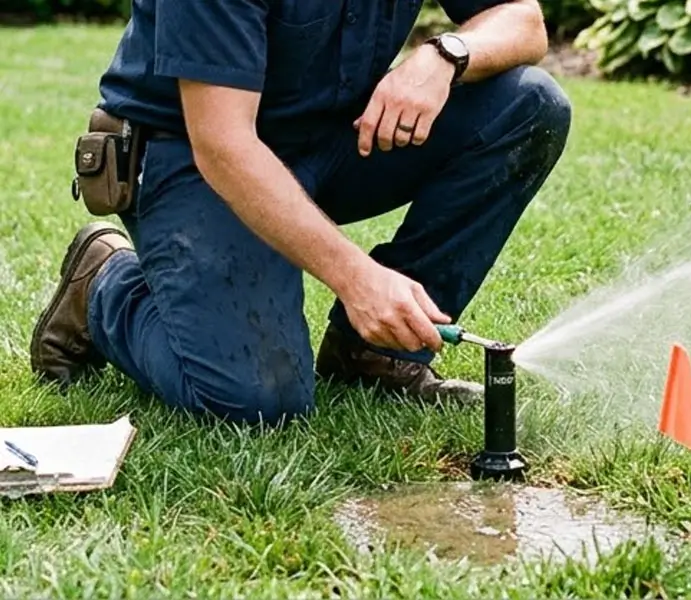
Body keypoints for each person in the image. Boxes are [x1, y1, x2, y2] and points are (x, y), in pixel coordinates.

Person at [29, 0, 572, 426]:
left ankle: (373, 356)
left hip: (332, 137)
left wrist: (447, 53)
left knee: (531, 106)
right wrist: (358, 279)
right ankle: (105, 284)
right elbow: (223, 144)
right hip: (193, 155)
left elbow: (524, 21)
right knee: (258, 401)